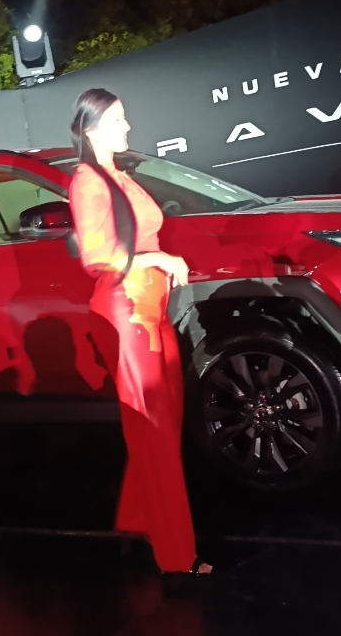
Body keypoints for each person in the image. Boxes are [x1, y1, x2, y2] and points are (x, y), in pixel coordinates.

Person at [67, 88, 212, 578]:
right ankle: (178, 558)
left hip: (151, 309)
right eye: (117, 120)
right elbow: (96, 256)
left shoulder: (118, 175)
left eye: (125, 118)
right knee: (153, 431)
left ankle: (136, 520)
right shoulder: (88, 180)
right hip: (125, 313)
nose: (127, 127)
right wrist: (159, 258)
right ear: (90, 129)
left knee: (163, 425)